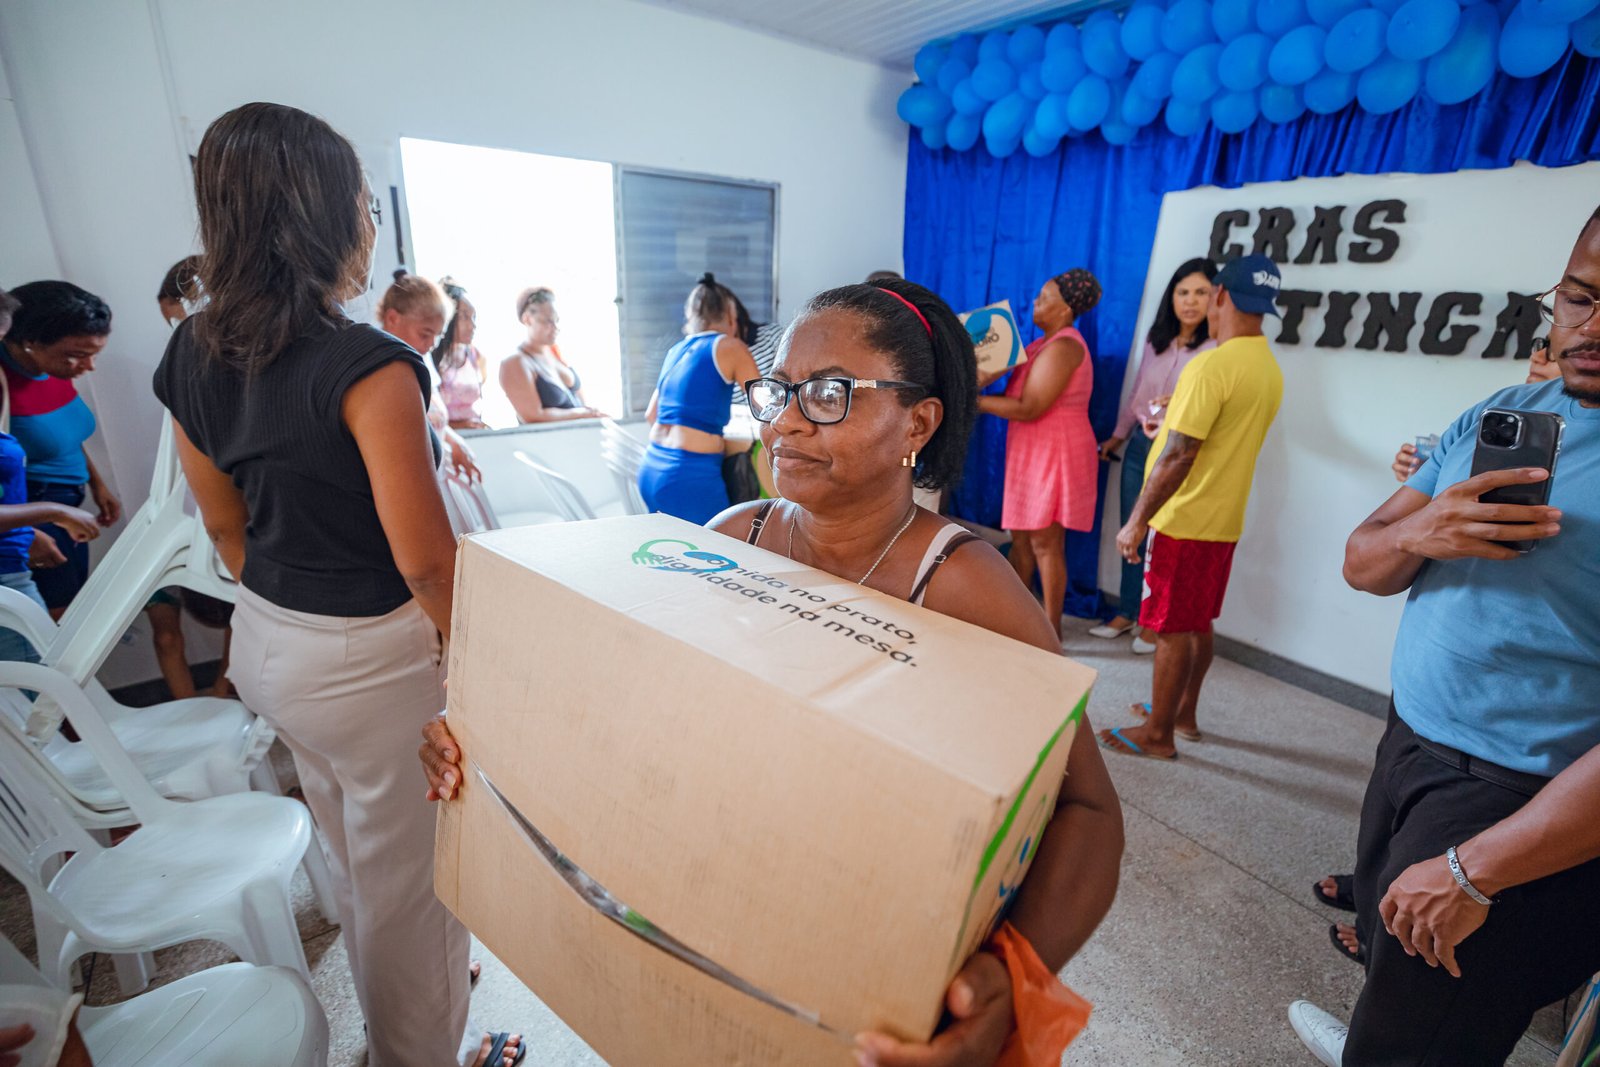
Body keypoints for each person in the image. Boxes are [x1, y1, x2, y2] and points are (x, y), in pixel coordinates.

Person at [420, 278, 1125, 1067]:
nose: (783, 420)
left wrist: (1008, 975)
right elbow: (635, 706)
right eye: (778, 389)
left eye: (828, 393)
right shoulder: (731, 536)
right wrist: (484, 733)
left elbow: (1090, 809)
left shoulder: (965, 587)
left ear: (917, 422)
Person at [152, 101, 521, 1067]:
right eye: (363, 201)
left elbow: (225, 527)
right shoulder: (371, 368)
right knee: (419, 888)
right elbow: (426, 561)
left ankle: (396, 1032)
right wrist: (486, 666)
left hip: (268, 640)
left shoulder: (189, 349)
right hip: (370, 661)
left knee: (358, 864)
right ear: (327, 213)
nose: (369, 220)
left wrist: (293, 612)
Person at [1289, 206, 1600, 1067]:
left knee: (1428, 1036)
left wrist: (1475, 868)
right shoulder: (1506, 410)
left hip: (1516, 800)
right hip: (1409, 744)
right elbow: (1362, 560)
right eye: (1579, 297)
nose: (1591, 327)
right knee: (1395, 966)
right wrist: (1423, 533)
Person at [1322, 331, 1569, 967]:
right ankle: (1371, 923)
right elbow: (1362, 559)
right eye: (1573, 303)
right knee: (1383, 846)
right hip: (1415, 706)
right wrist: (1421, 518)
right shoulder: (1488, 416)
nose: (1547, 361)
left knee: (1419, 968)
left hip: (1504, 761)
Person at [1103, 254, 1285, 761]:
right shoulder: (1266, 366)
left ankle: (1158, 734)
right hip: (1222, 520)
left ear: (1221, 295)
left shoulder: (1211, 365)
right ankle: (1182, 714)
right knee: (1197, 621)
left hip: (1184, 519)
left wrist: (1136, 521)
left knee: (1169, 629)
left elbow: (1179, 455)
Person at [1092, 258, 1217, 653]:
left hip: (1178, 451)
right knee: (1131, 528)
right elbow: (1137, 394)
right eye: (1183, 292)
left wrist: (1176, 403)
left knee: (1161, 537)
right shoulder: (1156, 340)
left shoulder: (1215, 349)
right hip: (1139, 446)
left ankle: (1152, 620)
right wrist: (1117, 437)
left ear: (1215, 298)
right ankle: (1128, 610)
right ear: (1172, 297)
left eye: (1200, 293)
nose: (1191, 301)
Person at [977, 268, 1102, 642]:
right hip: (1031, 449)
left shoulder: (1065, 347)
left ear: (1066, 309)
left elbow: (1030, 407)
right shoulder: (1038, 346)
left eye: (1045, 297)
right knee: (1021, 539)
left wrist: (973, 401)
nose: (1035, 303)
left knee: (1046, 543)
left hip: (1054, 451)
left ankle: (1051, 631)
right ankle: (1021, 617)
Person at [0, 281, 121, 619]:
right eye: (78, 355)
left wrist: (97, 483)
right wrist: (27, 530)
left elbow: (65, 434)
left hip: (65, 504)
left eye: (94, 354)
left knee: (74, 610)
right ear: (31, 343)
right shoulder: (4, 381)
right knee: (57, 619)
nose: (89, 366)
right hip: (32, 509)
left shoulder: (52, 368)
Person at [637, 273, 761, 523]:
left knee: (672, 546)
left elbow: (652, 415)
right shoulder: (731, 346)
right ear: (731, 317)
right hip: (689, 477)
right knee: (722, 542)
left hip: (651, 469)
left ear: (691, 317)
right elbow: (764, 404)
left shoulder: (676, 350)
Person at [378, 271, 481, 482]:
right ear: (392, 319)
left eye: (438, 335)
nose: (432, 344)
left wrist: (452, 439)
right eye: (425, 334)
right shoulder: (383, 372)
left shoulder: (422, 359)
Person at [500, 286, 600, 423]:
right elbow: (533, 416)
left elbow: (583, 405)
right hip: (552, 436)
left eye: (556, 320)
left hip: (582, 432)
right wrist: (581, 414)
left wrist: (591, 414)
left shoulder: (556, 353)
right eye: (547, 321)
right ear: (528, 319)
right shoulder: (515, 363)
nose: (555, 327)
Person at [434, 277, 489, 430]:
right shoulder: (430, 357)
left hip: (474, 436)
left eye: (473, 317)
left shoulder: (477, 357)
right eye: (464, 317)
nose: (473, 325)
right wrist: (460, 425)